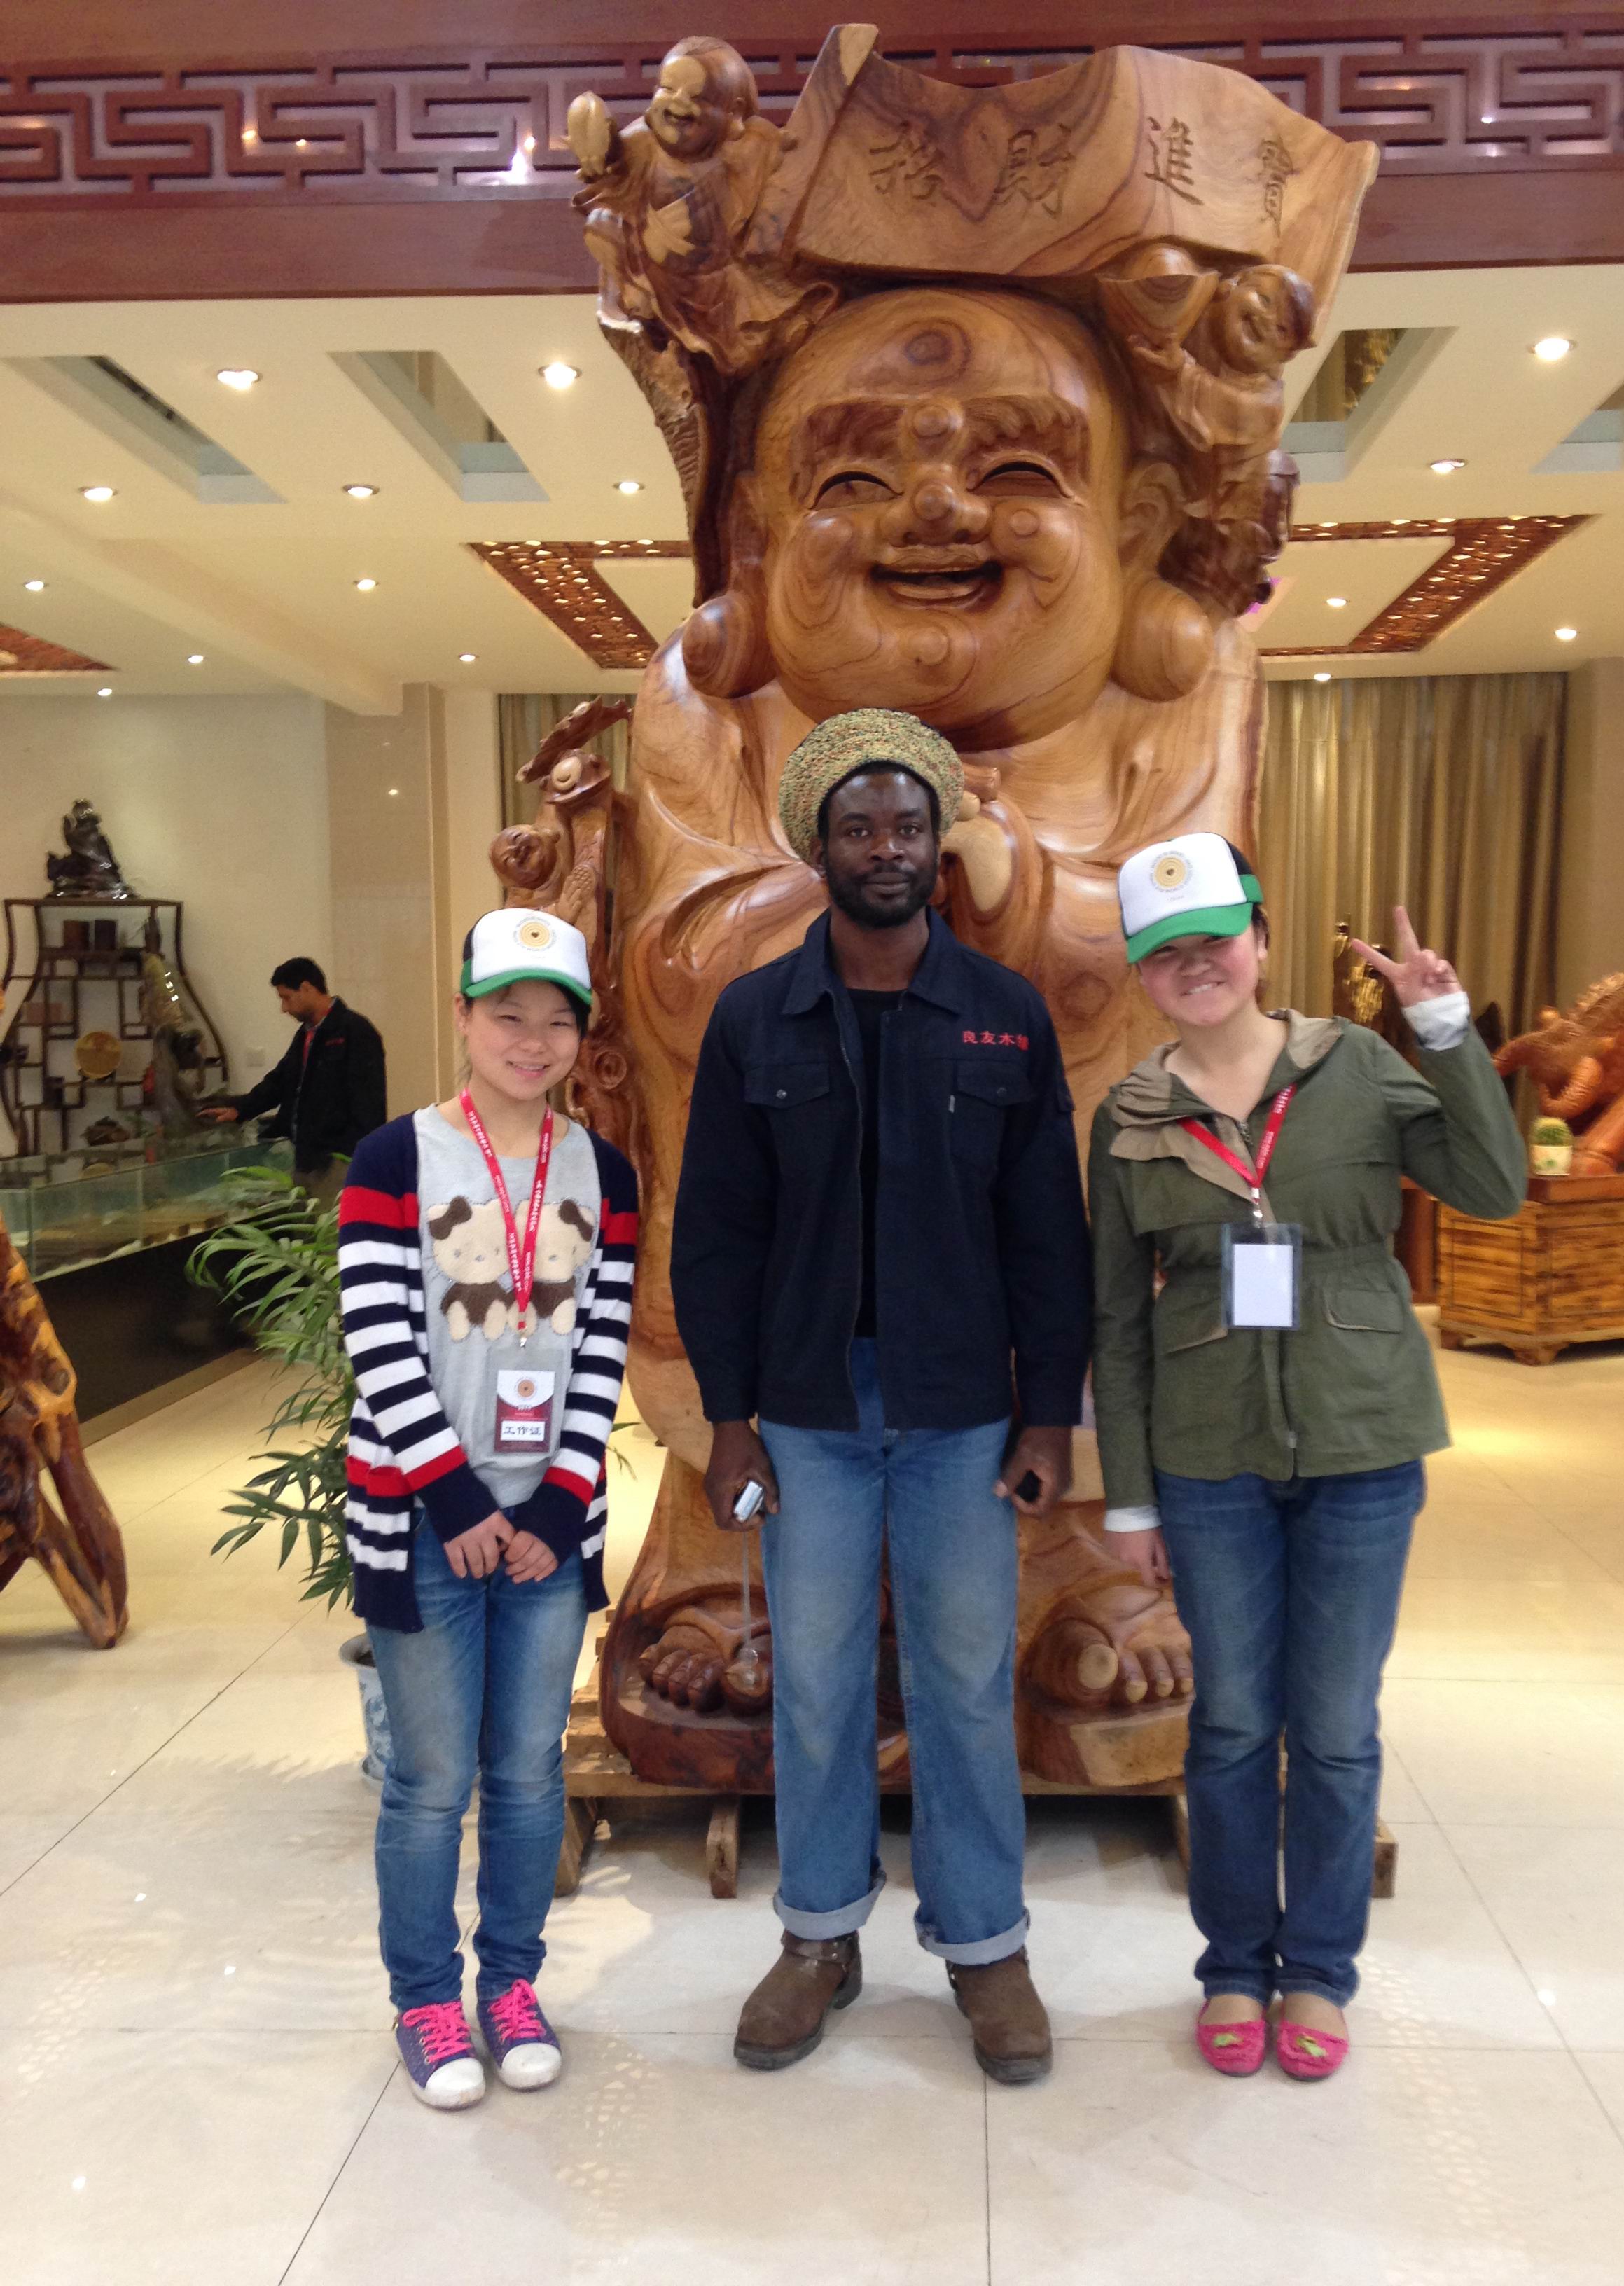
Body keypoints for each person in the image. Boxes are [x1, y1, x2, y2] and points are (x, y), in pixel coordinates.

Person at [671, 707, 1092, 2086]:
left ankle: (985, 1946)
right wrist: (728, 1414)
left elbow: (1046, 1230)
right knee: (816, 1678)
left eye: (907, 823)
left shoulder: (1003, 1012)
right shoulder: (755, 1017)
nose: (887, 847)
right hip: (806, 1413)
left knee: (965, 1679)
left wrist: (1048, 1412)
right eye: (859, 827)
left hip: (961, 1408)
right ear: (821, 847)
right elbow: (716, 1231)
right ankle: (818, 1935)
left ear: (934, 841)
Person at [1088, 833, 1525, 2081]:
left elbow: (1492, 1185)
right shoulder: (1128, 1117)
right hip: (1208, 1455)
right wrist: (1129, 1497)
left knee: (1333, 1725)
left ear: (1262, 940)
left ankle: (1319, 1970)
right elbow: (1115, 1321)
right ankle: (1234, 1960)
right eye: (1166, 950)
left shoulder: (1357, 1065)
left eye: (1216, 938)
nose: (1196, 964)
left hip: (1361, 1441)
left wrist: (1441, 1025)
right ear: (1141, 973)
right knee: (1230, 1721)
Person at [336, 909, 637, 2110]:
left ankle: (511, 1984)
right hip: (422, 1519)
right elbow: (376, 1339)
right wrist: (454, 1495)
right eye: (507, 1014)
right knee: (428, 1780)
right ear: (463, 1015)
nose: (531, 1039)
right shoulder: (394, 1160)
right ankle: (424, 1997)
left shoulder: (603, 1171)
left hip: (548, 1529)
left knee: (524, 1770)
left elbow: (601, 1342)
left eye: (556, 1019)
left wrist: (559, 1503)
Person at [207, 957, 386, 1199]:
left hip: (337, 1162)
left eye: (287, 998)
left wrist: (350, 1155)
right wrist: (241, 1109)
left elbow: (369, 1104)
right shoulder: (305, 1035)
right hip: (306, 1158)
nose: (284, 1008)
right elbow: (281, 1081)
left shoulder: (355, 1031)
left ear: (307, 988)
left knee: (331, 1223)